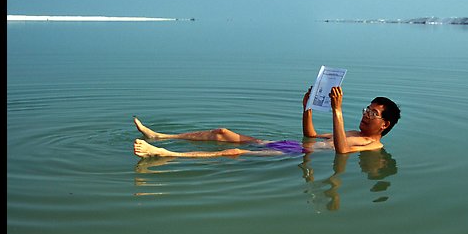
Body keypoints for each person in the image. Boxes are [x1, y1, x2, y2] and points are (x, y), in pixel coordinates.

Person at [133, 86, 400, 158]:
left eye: (373, 113)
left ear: (384, 124)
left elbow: (342, 150)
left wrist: (337, 110)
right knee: (222, 132)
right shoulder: (353, 131)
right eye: (368, 109)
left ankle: (163, 154)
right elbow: (311, 135)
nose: (367, 114)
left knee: (235, 151)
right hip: (295, 145)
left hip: (297, 154)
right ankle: (161, 137)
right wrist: (307, 107)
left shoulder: (372, 147)